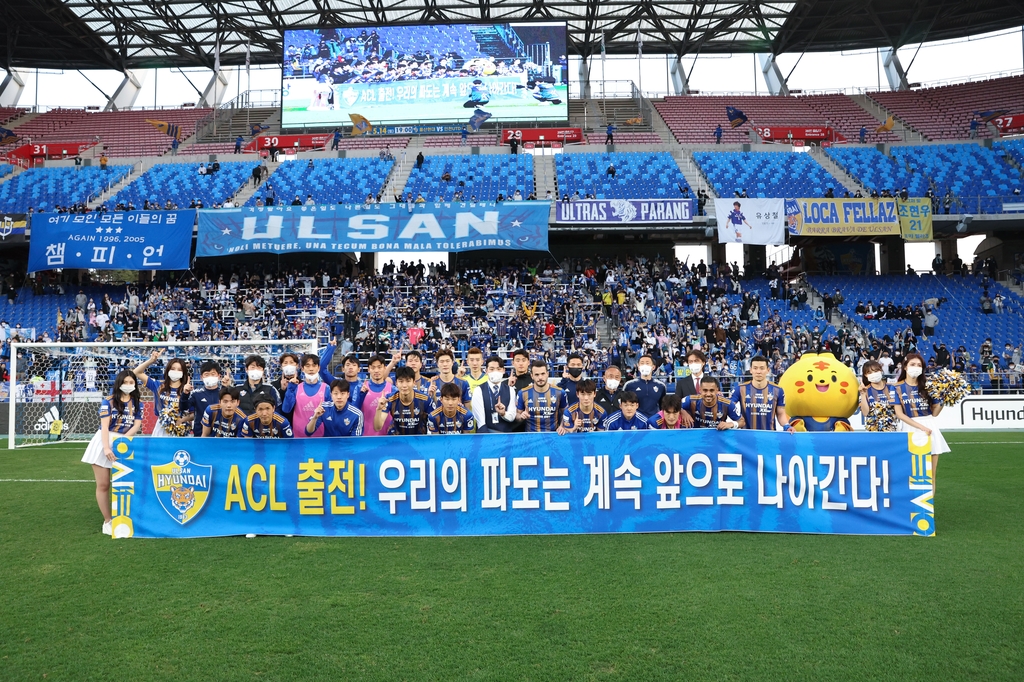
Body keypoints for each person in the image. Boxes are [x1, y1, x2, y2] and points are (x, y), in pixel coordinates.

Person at [81, 369, 142, 535]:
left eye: (131, 382)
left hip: (124, 443)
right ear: (119, 383)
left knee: (125, 484)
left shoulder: (137, 402)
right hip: (103, 442)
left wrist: (121, 442)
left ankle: (126, 516)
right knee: (103, 484)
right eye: (125, 382)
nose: (128, 385)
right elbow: (104, 426)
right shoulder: (108, 401)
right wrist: (107, 447)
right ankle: (108, 521)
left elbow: (136, 425)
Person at [893, 352, 950, 487]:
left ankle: (929, 508)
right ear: (905, 367)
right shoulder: (896, 387)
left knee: (930, 476)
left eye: (919, 365)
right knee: (910, 473)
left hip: (930, 427)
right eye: (913, 364)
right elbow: (899, 414)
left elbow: (935, 413)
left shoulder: (929, 386)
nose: (916, 367)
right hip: (909, 428)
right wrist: (921, 427)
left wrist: (943, 398)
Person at [132, 349, 190, 436]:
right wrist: (151, 361)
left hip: (180, 427)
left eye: (179, 370)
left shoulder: (187, 390)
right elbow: (136, 372)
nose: (176, 372)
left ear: (183, 373)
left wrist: (182, 420)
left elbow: (192, 413)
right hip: (161, 426)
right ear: (168, 370)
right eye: (173, 369)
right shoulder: (158, 385)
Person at [731, 355, 791, 430]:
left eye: (762, 368)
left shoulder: (778, 390)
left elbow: (781, 414)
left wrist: (787, 426)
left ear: (768, 370)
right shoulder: (740, 389)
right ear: (750, 370)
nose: (758, 372)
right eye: (755, 368)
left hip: (769, 436)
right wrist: (735, 423)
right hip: (746, 437)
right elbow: (728, 406)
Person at [282, 354, 331, 438]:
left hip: (320, 436)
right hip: (298, 436)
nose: (311, 369)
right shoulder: (296, 387)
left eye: (314, 365)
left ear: (318, 368)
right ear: (302, 368)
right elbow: (286, 409)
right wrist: (290, 389)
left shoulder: (326, 388)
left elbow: (331, 414)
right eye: (307, 366)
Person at [377, 366, 430, 435]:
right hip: (396, 440)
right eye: (401, 381)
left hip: (419, 441)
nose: (404, 385)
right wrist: (378, 409)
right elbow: (377, 427)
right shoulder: (389, 399)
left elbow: (434, 423)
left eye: (408, 381)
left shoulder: (425, 399)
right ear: (396, 383)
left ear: (414, 382)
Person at [180, 360, 227, 436]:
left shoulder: (225, 394)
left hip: (220, 435)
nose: (210, 377)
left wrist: (226, 387)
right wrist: (185, 394)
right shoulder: (196, 394)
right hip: (200, 435)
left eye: (213, 374)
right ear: (201, 377)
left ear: (219, 376)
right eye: (206, 374)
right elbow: (183, 407)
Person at [516, 360, 565, 432]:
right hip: (531, 437)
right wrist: (521, 416)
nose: (540, 377)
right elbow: (517, 416)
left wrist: (562, 426)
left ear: (547, 374)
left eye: (543, 374)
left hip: (553, 436)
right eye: (537, 374)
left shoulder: (560, 392)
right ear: (531, 376)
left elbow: (566, 414)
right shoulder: (523, 393)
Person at [472, 356, 518, 433]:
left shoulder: (510, 390)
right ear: (486, 371)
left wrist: (503, 414)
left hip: (506, 436)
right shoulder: (478, 390)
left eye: (499, 369)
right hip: (486, 435)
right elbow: (480, 421)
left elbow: (512, 416)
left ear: (503, 370)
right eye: (492, 369)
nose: (495, 372)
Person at [858, 360, 900, 431]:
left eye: (876, 371)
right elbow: (865, 413)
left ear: (881, 370)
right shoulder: (865, 390)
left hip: (892, 429)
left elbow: (898, 408)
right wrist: (862, 394)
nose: (874, 374)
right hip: (873, 431)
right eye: (870, 372)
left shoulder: (892, 388)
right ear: (865, 375)